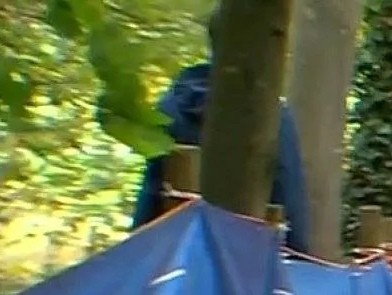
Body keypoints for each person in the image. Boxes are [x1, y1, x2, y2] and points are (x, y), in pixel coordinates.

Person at [130, 4, 311, 254]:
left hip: (178, 254)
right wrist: (302, 259)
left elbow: (152, 192)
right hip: (250, 258)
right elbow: (291, 200)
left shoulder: (170, 109)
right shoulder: (274, 116)